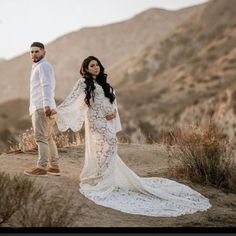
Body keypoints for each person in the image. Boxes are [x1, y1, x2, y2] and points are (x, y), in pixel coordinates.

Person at [56, 56, 211, 217]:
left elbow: (109, 102)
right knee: (107, 144)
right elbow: (71, 101)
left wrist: (112, 113)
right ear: (86, 69)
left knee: (107, 147)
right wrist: (56, 111)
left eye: (97, 65)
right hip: (95, 122)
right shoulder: (83, 83)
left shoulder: (103, 83)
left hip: (105, 121)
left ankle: (104, 177)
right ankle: (101, 180)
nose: (95, 68)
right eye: (92, 66)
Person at [24, 42, 60, 177]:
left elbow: (46, 85)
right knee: (48, 137)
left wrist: (46, 105)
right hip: (46, 106)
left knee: (41, 138)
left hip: (42, 108)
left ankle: (42, 167)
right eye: (32, 52)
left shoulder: (43, 66)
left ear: (44, 52)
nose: (34, 54)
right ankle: (54, 167)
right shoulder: (39, 66)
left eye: (37, 51)